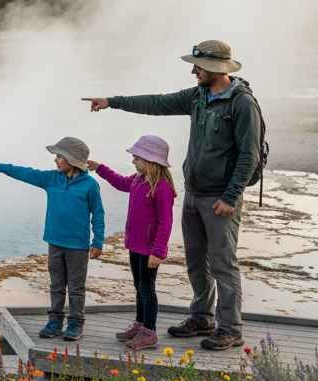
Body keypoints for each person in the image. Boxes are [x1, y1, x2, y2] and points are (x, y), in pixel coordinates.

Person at [83, 40, 263, 351]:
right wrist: (112, 101)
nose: (194, 71)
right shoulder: (198, 96)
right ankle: (202, 317)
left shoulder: (242, 104)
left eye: (198, 66)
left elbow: (249, 155)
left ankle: (231, 328)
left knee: (222, 263)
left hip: (220, 198)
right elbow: (157, 103)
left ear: (216, 69)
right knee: (196, 262)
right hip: (194, 193)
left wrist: (231, 197)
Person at [0, 136, 105, 342]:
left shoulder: (90, 185)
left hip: (78, 247)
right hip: (54, 242)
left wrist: (97, 241)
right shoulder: (51, 179)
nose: (55, 160)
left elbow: (98, 214)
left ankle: (75, 323)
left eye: (59, 156)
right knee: (56, 285)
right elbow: (27, 173)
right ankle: (55, 321)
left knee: (76, 287)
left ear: (71, 160)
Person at [90, 135, 176, 351]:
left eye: (137, 158)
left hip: (150, 250)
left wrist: (158, 251)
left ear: (150, 160)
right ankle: (140, 324)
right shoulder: (138, 180)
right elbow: (120, 182)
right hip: (135, 246)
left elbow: (166, 222)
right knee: (139, 287)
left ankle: (149, 331)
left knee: (147, 289)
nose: (133, 161)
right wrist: (100, 168)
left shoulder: (162, 187)